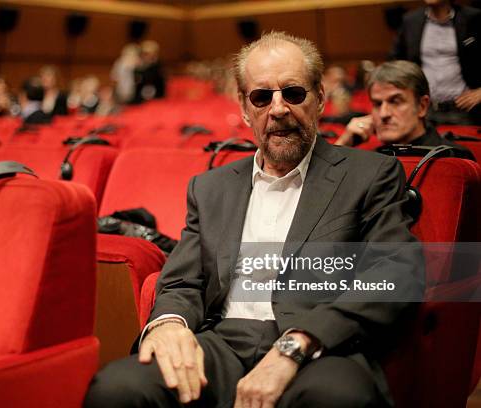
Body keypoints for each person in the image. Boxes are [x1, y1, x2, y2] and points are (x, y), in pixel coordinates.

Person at [85, 31, 424, 408]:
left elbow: (396, 271)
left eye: (293, 93)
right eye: (262, 97)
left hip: (320, 346)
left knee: (337, 398)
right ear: (246, 109)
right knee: (117, 388)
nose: (278, 109)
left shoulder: (370, 174)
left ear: (320, 100)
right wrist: (169, 324)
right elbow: (181, 280)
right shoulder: (211, 188)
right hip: (221, 342)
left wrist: (298, 344)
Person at [335, 60, 475, 160]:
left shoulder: (455, 158)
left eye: (395, 102)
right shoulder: (371, 159)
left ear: (422, 106)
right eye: (377, 104)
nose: (384, 114)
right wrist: (342, 145)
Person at [389, 0, 481, 125]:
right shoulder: (411, 20)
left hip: (465, 110)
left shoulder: (473, 18)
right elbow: (395, 62)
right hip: (425, 110)